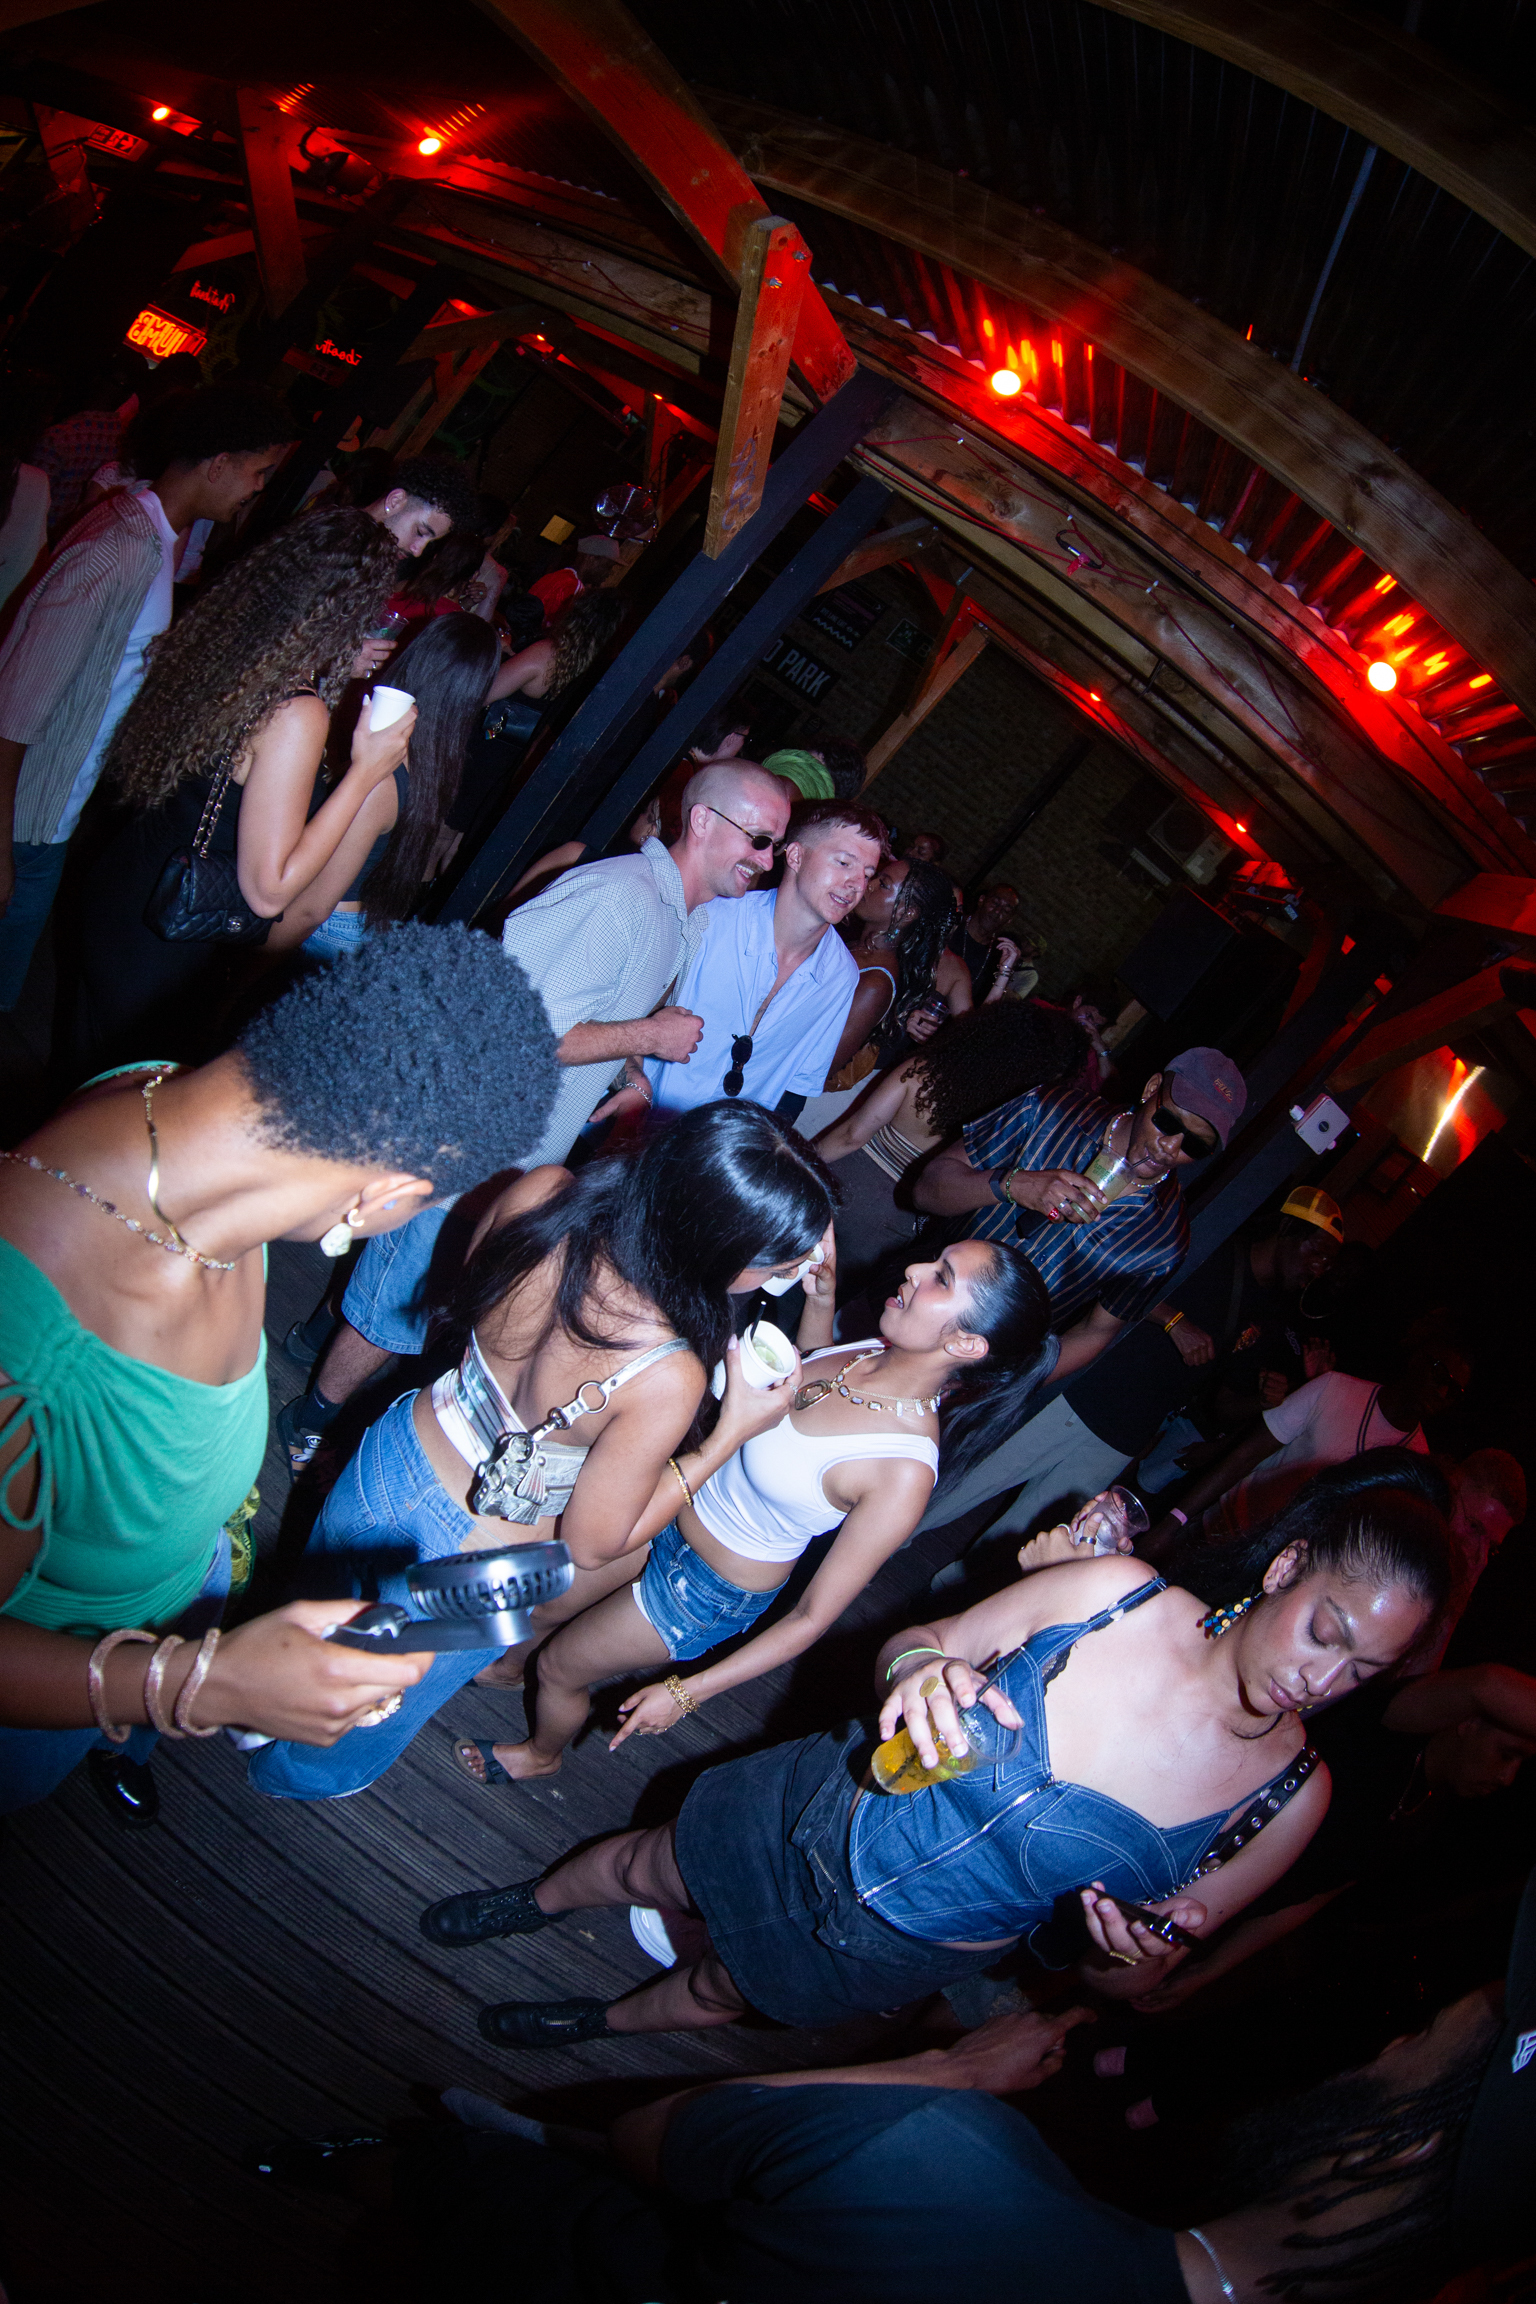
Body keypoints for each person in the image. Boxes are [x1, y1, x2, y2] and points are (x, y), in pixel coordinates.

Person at [420, 1468, 1448, 2047]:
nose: (1324, 1680)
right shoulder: (1116, 1596)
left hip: (909, 1948)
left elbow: (1140, 1977)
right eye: (1327, 1632)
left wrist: (1126, 1950)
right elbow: (920, 1641)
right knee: (651, 1862)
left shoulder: (1292, 1798)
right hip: (826, 1802)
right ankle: (533, 1901)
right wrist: (916, 1672)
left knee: (723, 1992)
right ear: (1285, 1570)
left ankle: (595, 2021)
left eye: (1365, 1673)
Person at [257, 1907, 1535, 2304]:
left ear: (1407, 2144)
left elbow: (662, 2143)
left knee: (473, 2190)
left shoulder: (956, 2164)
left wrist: (942, 2078)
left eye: (1413, 2043)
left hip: (602, 2255)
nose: (1375, 2043)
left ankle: (354, 2164)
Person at [0, 922, 560, 1820]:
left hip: (180, 1585)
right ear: (385, 1200)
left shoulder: (171, 1109)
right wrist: (200, 1685)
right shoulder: (31, 1347)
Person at [247, 1103, 835, 1800]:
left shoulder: (545, 1192)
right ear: (725, 1252)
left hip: (396, 1447)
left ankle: (249, 1702)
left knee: (316, 1607)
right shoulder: (665, 1373)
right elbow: (594, 1544)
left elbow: (466, 1300)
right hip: (479, 1561)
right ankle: (290, 1775)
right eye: (776, 1266)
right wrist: (733, 1430)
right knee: (372, 1698)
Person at [279, 760, 794, 1466]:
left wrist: (634, 1072)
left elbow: (596, 1014)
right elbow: (517, 1026)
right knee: (397, 1311)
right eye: (760, 840)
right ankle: (311, 1418)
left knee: (402, 1291)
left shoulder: (683, 921)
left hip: (515, 1146)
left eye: (774, 846)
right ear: (703, 821)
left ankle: (309, 1343)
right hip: (467, 1138)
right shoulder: (618, 897)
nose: (767, 863)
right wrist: (647, 1036)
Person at [453, 1234, 1053, 1787]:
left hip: (702, 1590)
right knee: (547, 1609)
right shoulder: (875, 1348)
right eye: (934, 1261)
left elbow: (811, 1618)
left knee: (561, 1668)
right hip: (671, 1502)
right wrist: (822, 1298)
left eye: (941, 1279)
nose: (915, 1269)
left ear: (966, 1344)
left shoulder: (902, 1471)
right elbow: (810, 1381)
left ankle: (541, 1754)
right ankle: (509, 1671)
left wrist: (689, 1694)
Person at [67, 504, 411, 1070]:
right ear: (347, 611)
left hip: (124, 882)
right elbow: (268, 892)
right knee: (111, 1109)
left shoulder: (229, 645)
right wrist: (368, 770)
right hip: (166, 928)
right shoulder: (294, 712)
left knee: (78, 1077)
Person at [0, 383, 299, 1010]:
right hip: (27, 819)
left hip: (51, 810)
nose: (258, 489)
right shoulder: (122, 548)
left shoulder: (154, 537)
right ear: (219, 465)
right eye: (258, 472)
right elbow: (15, 702)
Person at [925, 1188, 1344, 1577]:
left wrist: (1268, 1401)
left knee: (1029, 1535)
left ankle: (941, 1599)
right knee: (965, 1482)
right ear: (1288, 1230)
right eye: (1318, 1252)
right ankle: (879, 1537)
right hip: (1082, 1394)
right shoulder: (1215, 1243)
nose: (1318, 1268)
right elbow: (1120, 1278)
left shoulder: (1270, 1318)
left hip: (1122, 1437)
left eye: (1327, 1263)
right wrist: (1174, 1321)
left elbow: (1222, 1405)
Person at [912, 1046, 1246, 1382]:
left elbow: (1095, 1332)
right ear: (1151, 1089)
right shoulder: (1050, 1111)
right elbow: (925, 1191)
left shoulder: (1164, 1239)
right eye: (1168, 1122)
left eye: (1195, 1145)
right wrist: (1015, 1184)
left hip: (977, 1372)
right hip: (912, 1299)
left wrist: (1009, 1387)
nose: (1171, 1147)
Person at [813, 1001, 1090, 1313]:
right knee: (814, 1306)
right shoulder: (1006, 1125)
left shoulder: (923, 1070)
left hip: (836, 1186)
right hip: (888, 1228)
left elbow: (852, 1134)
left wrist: (801, 1163)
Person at [256, 611, 501, 961]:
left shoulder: (383, 775)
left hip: (323, 928)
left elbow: (312, 908)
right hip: (358, 923)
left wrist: (254, 954)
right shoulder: (433, 756)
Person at [645, 799, 887, 1125]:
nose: (857, 884)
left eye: (867, 873)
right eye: (844, 863)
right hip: (636, 1118)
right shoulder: (713, 918)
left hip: (716, 1151)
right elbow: (632, 1011)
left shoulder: (841, 975)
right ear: (796, 855)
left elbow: (798, 1086)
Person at [1147, 1336, 1469, 1552]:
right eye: (1440, 1376)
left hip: (1272, 1579)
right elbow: (1245, 1455)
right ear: (1417, 1361)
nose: (1441, 1394)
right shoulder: (1336, 1389)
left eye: (1454, 1392)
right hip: (1217, 1531)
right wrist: (1174, 1521)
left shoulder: (1417, 1467)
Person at [430, 591, 627, 877]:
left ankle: (403, 912)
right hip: (517, 766)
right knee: (459, 851)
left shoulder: (549, 652)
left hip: (487, 752)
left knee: (437, 840)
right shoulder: (597, 671)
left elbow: (483, 694)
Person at [824, 855, 958, 1087]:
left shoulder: (876, 980)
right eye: (876, 877)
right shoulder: (856, 945)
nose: (868, 884)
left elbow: (825, 1064)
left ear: (906, 913)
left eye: (883, 884)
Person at [530, 533, 619, 625]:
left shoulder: (558, 577)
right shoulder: (572, 586)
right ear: (592, 559)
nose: (609, 573)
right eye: (608, 566)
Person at [949, 881, 1019, 999]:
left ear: (1009, 920)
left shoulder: (998, 956)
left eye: (1006, 911)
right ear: (981, 900)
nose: (997, 911)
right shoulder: (952, 924)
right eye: (995, 903)